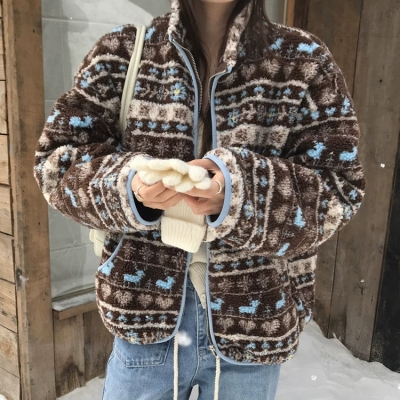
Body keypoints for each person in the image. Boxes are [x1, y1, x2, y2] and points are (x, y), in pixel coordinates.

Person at [34, 0, 365, 398]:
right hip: (144, 317)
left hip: (254, 328)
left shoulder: (303, 62)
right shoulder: (121, 54)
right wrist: (130, 187)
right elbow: (57, 164)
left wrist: (239, 193)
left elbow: (339, 188)